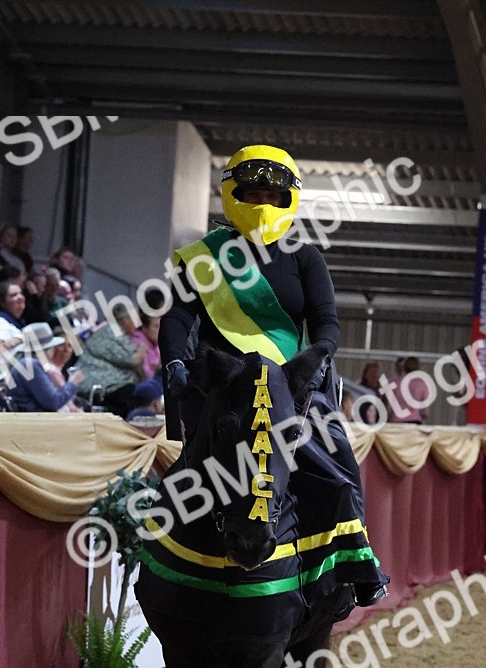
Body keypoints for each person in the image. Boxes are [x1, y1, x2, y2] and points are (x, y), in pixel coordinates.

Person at [159, 142, 388, 607]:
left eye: (272, 197)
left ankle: (355, 560)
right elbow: (178, 318)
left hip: (289, 385)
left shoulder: (306, 258)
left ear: (288, 202)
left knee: (338, 467)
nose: (262, 204)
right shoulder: (203, 258)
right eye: (251, 193)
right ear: (232, 195)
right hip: (223, 386)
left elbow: (326, 322)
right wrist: (175, 361)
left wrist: (317, 357)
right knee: (173, 479)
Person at [75, 311, 146, 416]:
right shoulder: (111, 332)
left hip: (112, 383)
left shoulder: (118, 333)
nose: (138, 323)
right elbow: (132, 360)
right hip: (100, 383)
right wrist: (141, 351)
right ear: (124, 320)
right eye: (134, 319)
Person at [6, 325, 83, 412]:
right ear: (49, 348)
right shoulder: (30, 365)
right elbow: (53, 403)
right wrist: (72, 383)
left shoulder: (28, 363)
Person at [388, 355, 429, 424]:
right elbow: (425, 410)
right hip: (414, 420)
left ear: (404, 366)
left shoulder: (394, 381)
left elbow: (389, 405)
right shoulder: (422, 384)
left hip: (396, 420)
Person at [132, 307, 162, 379]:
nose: (161, 329)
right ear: (144, 328)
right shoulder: (137, 344)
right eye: (156, 326)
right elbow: (147, 376)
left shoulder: (156, 342)